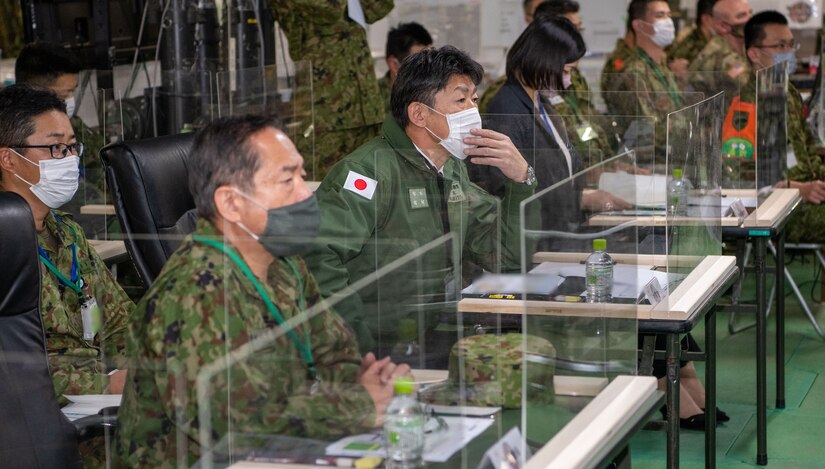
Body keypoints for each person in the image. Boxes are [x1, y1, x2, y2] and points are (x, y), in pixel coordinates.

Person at [116, 115, 410, 467]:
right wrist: (359, 405)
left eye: (301, 175)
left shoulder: (284, 263)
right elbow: (235, 423)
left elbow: (334, 352)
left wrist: (365, 383)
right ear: (231, 203)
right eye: (287, 179)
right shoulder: (194, 293)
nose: (305, 192)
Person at [305, 46, 536, 359]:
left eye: (474, 99)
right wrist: (356, 344)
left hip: (440, 333)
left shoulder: (452, 168)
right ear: (419, 114)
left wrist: (521, 181)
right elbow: (317, 259)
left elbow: (506, 259)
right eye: (460, 99)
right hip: (381, 347)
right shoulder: (367, 172)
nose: (472, 111)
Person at [0, 85, 132, 401]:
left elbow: (121, 323)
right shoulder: (6, 245)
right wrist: (108, 386)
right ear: (9, 158)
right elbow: (13, 372)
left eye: (73, 148)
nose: (70, 159)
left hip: (102, 404)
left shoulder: (66, 233)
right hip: (42, 420)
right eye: (56, 149)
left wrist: (149, 366)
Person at [468, 14, 627, 223]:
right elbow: (512, 191)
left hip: (561, 227)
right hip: (537, 239)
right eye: (565, 70)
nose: (568, 82)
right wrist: (581, 200)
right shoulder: (508, 110)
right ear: (542, 61)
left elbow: (557, 172)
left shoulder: (540, 102)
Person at [270, 0, 393, 181]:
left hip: (365, 106)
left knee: (369, 190)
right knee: (329, 188)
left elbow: (380, 7)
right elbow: (330, 9)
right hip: (326, 114)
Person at [742, 11, 825, 242]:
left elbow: (807, 149)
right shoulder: (746, 103)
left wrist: (816, 180)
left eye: (791, 44)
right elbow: (741, 175)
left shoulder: (787, 92)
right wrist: (797, 188)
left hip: (808, 191)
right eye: (780, 46)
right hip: (780, 204)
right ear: (754, 53)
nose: (789, 52)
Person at [15, 42, 109, 236]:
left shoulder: (74, 127)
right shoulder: (13, 135)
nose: (71, 100)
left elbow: (105, 169)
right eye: (66, 93)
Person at [603, 0, 684, 162]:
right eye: (660, 15)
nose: (668, 22)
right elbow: (648, 131)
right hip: (650, 164)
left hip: (674, 158)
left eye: (669, 15)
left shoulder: (660, 67)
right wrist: (693, 133)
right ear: (639, 25)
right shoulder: (634, 73)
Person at [688, 0, 753, 102]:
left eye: (750, 13)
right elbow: (753, 88)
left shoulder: (741, 47)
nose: (750, 19)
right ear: (722, 27)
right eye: (741, 16)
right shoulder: (720, 56)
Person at [377, 22, 434, 110]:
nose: (429, 67)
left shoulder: (436, 94)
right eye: (420, 61)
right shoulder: (371, 99)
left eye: (432, 57)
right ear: (394, 65)